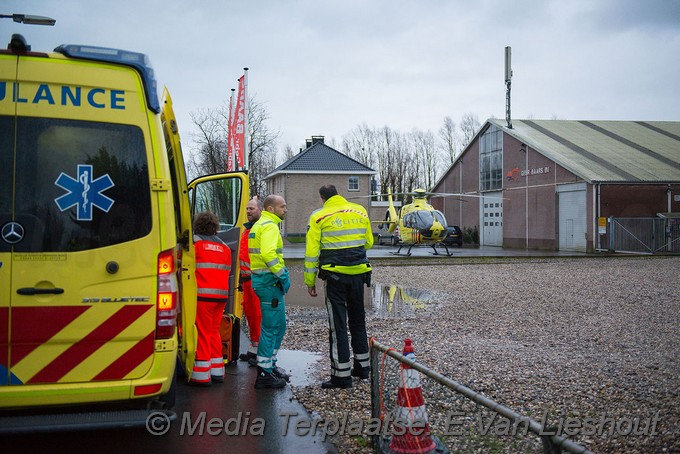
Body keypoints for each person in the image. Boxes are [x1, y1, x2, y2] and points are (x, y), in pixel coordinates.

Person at [305, 184, 373, 389]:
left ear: (322, 198)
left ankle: (341, 376)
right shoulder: (360, 211)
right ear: (339, 195)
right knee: (358, 321)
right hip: (359, 273)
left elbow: (311, 253)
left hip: (335, 277)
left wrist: (310, 281)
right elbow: (368, 242)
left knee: (338, 327)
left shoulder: (318, 216)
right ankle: (363, 368)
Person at [249, 194, 291, 389]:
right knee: (271, 328)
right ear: (271, 208)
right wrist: (282, 275)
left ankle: (270, 366)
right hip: (269, 282)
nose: (286, 210)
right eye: (283, 207)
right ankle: (264, 373)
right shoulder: (270, 226)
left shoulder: (261, 225)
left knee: (279, 325)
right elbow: (268, 255)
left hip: (265, 282)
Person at [190, 211, 232, 386]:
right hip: (220, 297)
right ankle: (217, 371)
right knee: (214, 331)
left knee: (202, 333)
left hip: (203, 296)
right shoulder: (224, 246)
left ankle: (201, 376)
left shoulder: (195, 243)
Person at [238, 197, 263, 367]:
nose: (248, 211)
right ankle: (254, 348)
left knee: (258, 315)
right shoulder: (247, 230)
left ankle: (261, 352)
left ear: (260, 210)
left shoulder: (261, 229)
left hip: (257, 279)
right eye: (247, 209)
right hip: (247, 280)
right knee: (250, 315)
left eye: (251, 209)